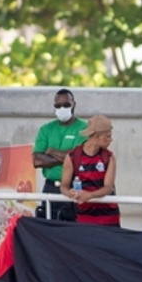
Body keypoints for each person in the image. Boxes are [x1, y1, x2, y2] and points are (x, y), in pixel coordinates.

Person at [32, 89, 86, 221]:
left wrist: (51, 152)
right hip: (50, 187)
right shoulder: (46, 129)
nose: (62, 108)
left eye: (66, 105)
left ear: (74, 105)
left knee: (73, 232)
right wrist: (67, 156)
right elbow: (37, 161)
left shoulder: (84, 128)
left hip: (75, 188)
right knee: (48, 232)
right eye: (58, 106)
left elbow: (79, 158)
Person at [59, 115, 119, 226]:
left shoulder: (109, 157)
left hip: (109, 216)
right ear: (97, 136)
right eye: (108, 136)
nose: (111, 139)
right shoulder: (73, 157)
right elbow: (64, 186)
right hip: (83, 215)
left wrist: (89, 195)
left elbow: (108, 188)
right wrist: (70, 193)